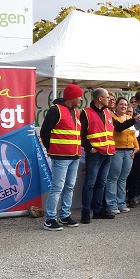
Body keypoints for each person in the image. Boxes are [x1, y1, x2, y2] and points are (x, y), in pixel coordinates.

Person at [80, 88, 140, 223]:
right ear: (100, 99)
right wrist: (90, 148)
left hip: (108, 153)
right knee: (90, 183)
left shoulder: (108, 112)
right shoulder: (86, 112)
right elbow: (81, 134)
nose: (110, 100)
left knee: (101, 183)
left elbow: (118, 127)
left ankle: (98, 210)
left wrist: (133, 120)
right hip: (95, 154)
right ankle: (85, 212)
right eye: (107, 97)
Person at [39, 84, 84, 231]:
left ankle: (65, 215)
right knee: (57, 187)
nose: (80, 99)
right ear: (71, 97)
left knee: (69, 186)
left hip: (74, 155)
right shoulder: (55, 110)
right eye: (79, 96)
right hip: (61, 156)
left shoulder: (76, 112)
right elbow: (45, 131)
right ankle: (50, 218)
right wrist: (51, 148)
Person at [105, 97, 138, 214]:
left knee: (123, 178)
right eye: (121, 104)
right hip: (117, 151)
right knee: (113, 178)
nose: (123, 106)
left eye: (125, 105)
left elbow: (133, 136)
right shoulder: (112, 118)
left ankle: (121, 203)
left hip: (129, 151)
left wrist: (136, 148)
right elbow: (118, 129)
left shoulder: (129, 118)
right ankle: (111, 204)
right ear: (116, 106)